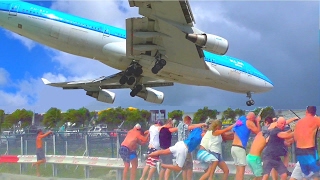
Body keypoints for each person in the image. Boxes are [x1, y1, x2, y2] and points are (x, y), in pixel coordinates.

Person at [231, 112, 261, 180]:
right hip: (240, 148)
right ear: (252, 118)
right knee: (241, 172)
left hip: (233, 147)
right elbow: (258, 132)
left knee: (238, 171)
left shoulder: (241, 120)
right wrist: (258, 121)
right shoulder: (249, 122)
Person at [293, 106, 320, 179]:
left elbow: (295, 137)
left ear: (306, 111)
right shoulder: (316, 119)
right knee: (315, 174)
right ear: (314, 112)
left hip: (299, 150)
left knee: (306, 174)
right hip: (309, 150)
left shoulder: (299, 122)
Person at [177, 115, 206, 180]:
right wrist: (201, 125)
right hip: (185, 147)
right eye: (190, 122)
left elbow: (192, 125)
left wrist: (200, 124)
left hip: (179, 148)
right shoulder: (184, 126)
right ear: (187, 121)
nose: (190, 123)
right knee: (189, 166)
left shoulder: (179, 125)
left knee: (184, 167)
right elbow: (191, 127)